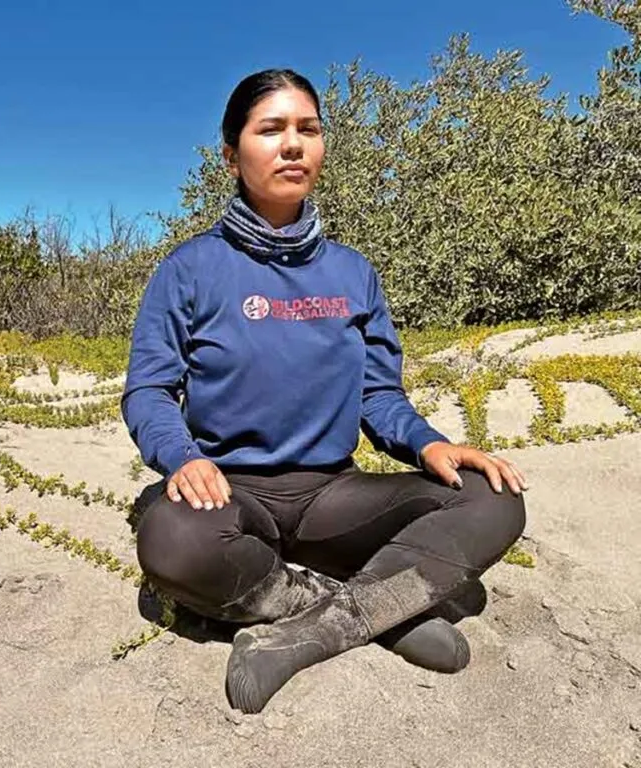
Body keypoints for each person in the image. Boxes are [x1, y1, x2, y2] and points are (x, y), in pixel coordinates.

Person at [120, 69, 528, 714]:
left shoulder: (351, 272)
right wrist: (183, 457)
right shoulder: (189, 269)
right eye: (271, 129)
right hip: (230, 491)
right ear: (232, 154)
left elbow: (378, 396)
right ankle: (384, 611)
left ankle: (302, 634)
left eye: (307, 129)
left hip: (332, 495)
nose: (292, 145)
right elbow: (148, 391)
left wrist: (429, 444)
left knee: (493, 499)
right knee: (172, 541)